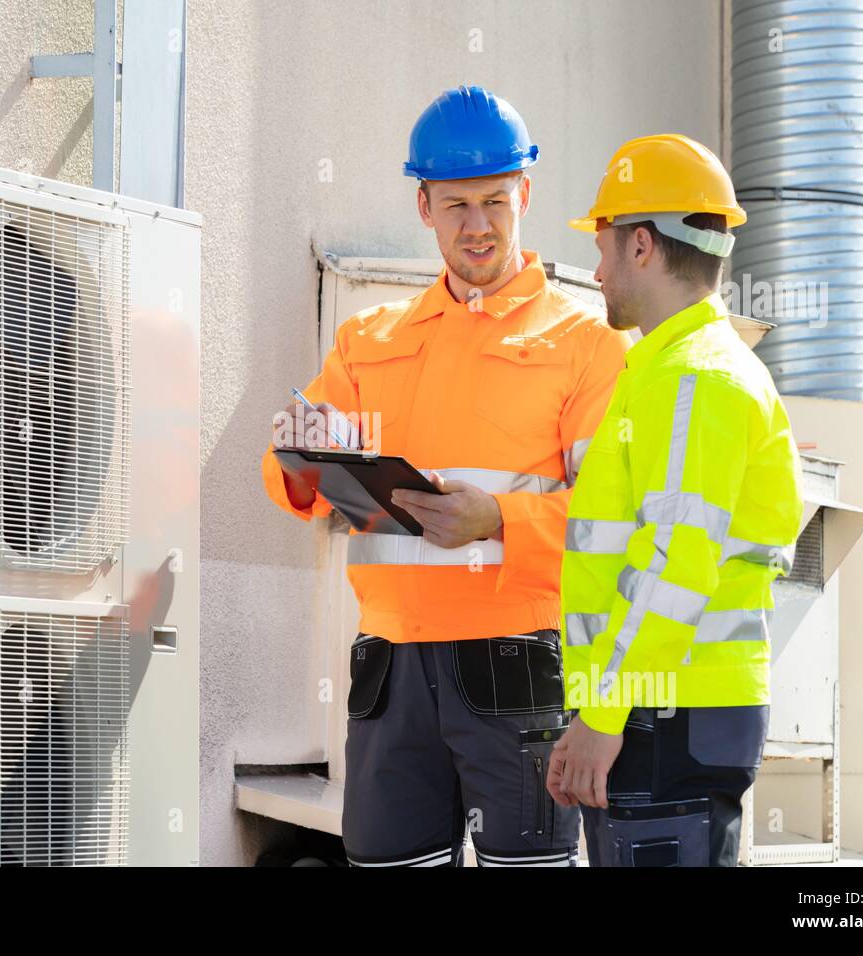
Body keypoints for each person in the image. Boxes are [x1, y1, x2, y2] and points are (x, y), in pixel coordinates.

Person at [261, 86, 627, 866]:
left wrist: (499, 520)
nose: (479, 225)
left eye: (496, 200)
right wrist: (298, 452)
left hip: (515, 661)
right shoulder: (369, 340)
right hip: (390, 672)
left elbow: (612, 521)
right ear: (423, 206)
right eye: (456, 205)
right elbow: (288, 476)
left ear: (524, 194)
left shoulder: (585, 343)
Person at [546, 133, 804, 867]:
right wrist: (593, 715)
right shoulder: (671, 369)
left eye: (602, 247)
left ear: (641, 248)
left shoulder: (693, 379)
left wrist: (603, 714)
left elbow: (674, 567)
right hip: (659, 712)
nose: (595, 271)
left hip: (665, 714)